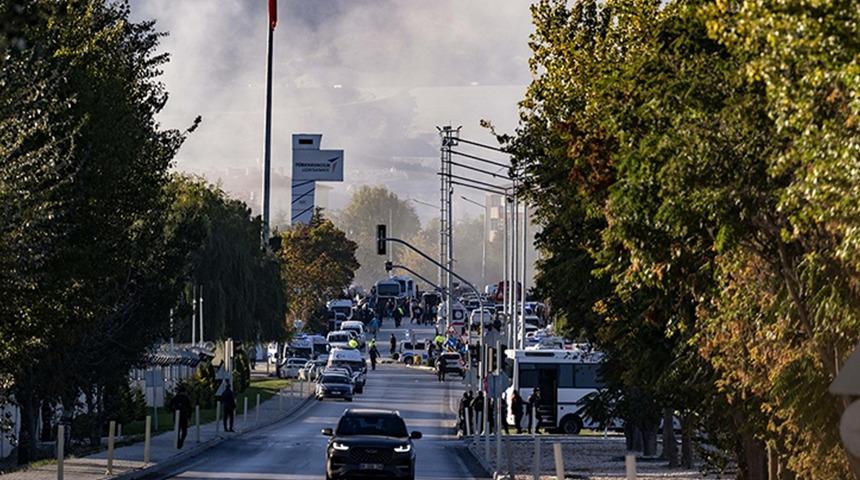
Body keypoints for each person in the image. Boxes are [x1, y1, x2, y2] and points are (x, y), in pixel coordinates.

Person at [169, 384, 193, 448]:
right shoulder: (186, 398)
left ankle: (177, 441)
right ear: (184, 391)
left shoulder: (175, 397)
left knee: (177, 430)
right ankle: (181, 440)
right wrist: (189, 416)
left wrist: (174, 410)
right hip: (184, 416)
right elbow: (190, 408)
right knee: (184, 431)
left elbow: (170, 405)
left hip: (177, 416)